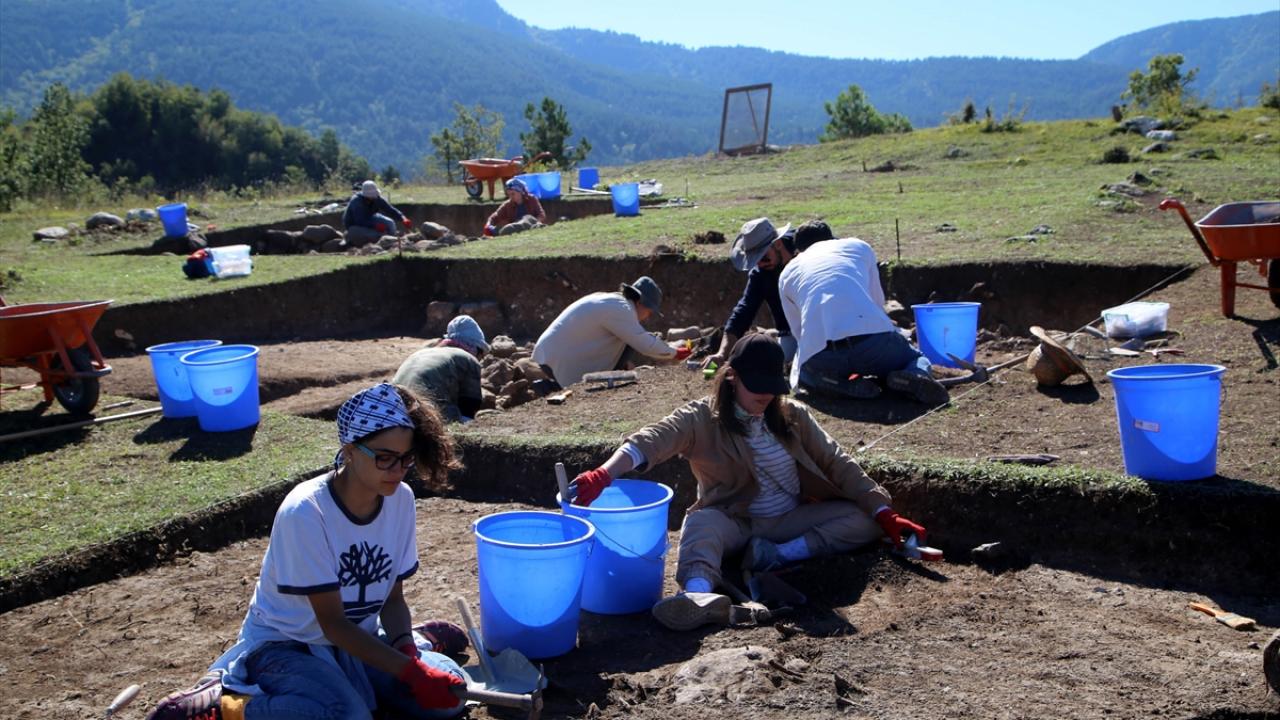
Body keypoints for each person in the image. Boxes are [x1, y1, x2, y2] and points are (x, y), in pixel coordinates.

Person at [145, 383, 468, 720]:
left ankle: (417, 639)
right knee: (346, 716)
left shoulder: (400, 499)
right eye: (384, 458)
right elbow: (332, 624)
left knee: (451, 695)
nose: (398, 470)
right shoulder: (306, 511)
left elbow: (392, 599)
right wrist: (410, 672)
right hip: (286, 645)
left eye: (406, 458)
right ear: (350, 450)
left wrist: (405, 649)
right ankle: (226, 707)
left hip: (358, 638)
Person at [567, 334, 928, 632]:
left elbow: (838, 463)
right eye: (757, 385)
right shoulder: (702, 418)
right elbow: (651, 440)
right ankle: (696, 595)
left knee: (863, 517)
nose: (766, 395)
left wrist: (882, 511)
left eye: (772, 386)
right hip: (734, 521)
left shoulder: (792, 416)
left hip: (789, 520)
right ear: (732, 377)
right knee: (700, 524)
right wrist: (604, 474)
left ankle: (776, 556)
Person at [779, 234, 950, 405]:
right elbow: (877, 301)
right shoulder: (858, 246)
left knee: (803, 372)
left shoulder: (787, 272)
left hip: (826, 353)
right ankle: (913, 374)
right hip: (873, 345)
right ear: (833, 238)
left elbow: (799, 332)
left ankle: (838, 383)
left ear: (798, 250)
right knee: (916, 358)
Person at [702, 218, 837, 370]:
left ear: (777, 244)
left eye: (763, 257)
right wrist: (721, 354)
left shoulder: (807, 242)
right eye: (755, 261)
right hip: (791, 332)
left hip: (828, 324)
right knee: (783, 364)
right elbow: (743, 312)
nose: (760, 264)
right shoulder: (761, 273)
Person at [531, 276, 690, 392]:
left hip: (548, 353)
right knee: (630, 342)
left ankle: (552, 386)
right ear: (640, 302)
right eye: (649, 311)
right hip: (557, 360)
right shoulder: (621, 310)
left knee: (627, 341)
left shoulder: (611, 300)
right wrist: (675, 353)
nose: (648, 316)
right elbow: (645, 344)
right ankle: (550, 388)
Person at [393, 315, 489, 422]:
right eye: (481, 355)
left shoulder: (423, 353)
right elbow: (470, 406)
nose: (479, 359)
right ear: (476, 349)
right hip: (426, 412)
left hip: (394, 409)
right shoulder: (469, 358)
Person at [344, 180, 411, 247]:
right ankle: (382, 243)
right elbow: (360, 220)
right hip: (355, 225)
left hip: (370, 217)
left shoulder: (377, 198)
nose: (373, 197)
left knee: (390, 223)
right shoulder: (357, 202)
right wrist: (376, 226)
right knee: (375, 235)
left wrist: (403, 218)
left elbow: (390, 209)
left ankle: (392, 240)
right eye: (371, 196)